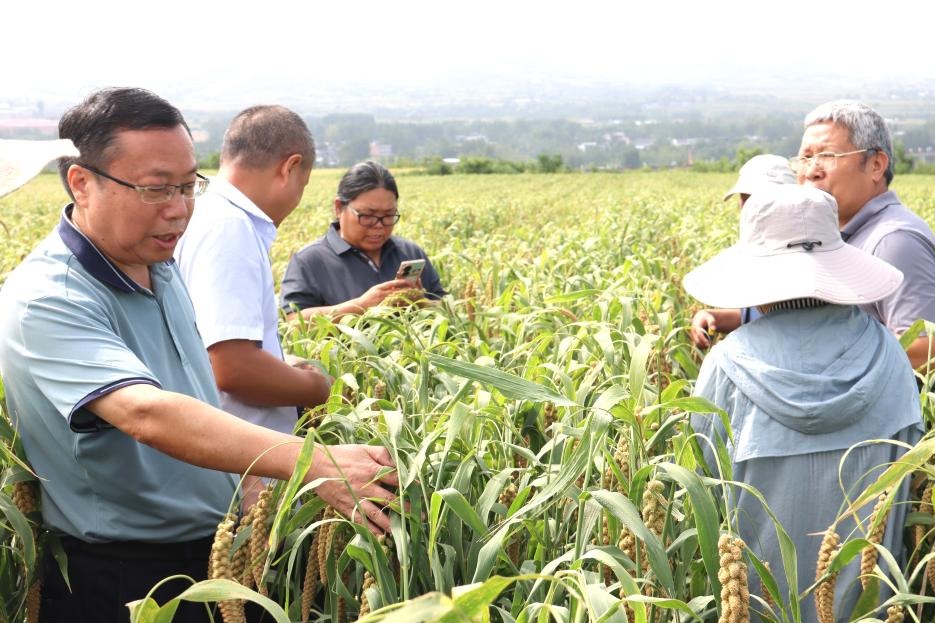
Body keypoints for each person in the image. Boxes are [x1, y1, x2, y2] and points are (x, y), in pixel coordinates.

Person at [0, 88, 398, 623]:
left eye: (189, 187)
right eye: (156, 189)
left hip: (214, 553)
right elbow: (146, 411)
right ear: (82, 182)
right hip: (126, 580)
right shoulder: (48, 297)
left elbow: (193, 386)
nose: (179, 209)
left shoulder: (158, 264)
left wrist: (248, 480)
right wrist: (314, 462)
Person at [685, 185, 922, 623]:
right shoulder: (890, 355)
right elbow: (908, 477)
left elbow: (703, 482)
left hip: (755, 608)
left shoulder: (726, 364)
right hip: (868, 611)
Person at [174, 105, 331, 507]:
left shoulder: (208, 214)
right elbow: (233, 368)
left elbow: (211, 345)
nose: (298, 196)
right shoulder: (231, 229)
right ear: (289, 167)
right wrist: (316, 387)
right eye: (304, 182)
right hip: (243, 482)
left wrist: (281, 363)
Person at [793, 100, 935, 370]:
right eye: (805, 157)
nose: (811, 170)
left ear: (876, 165)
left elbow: (924, 348)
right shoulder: (838, 233)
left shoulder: (894, 240)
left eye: (828, 156)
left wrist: (821, 369)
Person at [280, 160, 446, 319]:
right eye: (367, 216)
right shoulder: (309, 261)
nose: (379, 225)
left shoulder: (409, 252)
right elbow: (294, 321)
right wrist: (361, 306)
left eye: (388, 216)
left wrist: (421, 303)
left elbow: (445, 306)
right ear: (339, 208)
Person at [690, 154, 796, 347]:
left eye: (757, 200)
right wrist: (712, 317)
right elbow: (754, 314)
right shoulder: (754, 253)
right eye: (744, 198)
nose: (748, 207)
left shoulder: (798, 258)